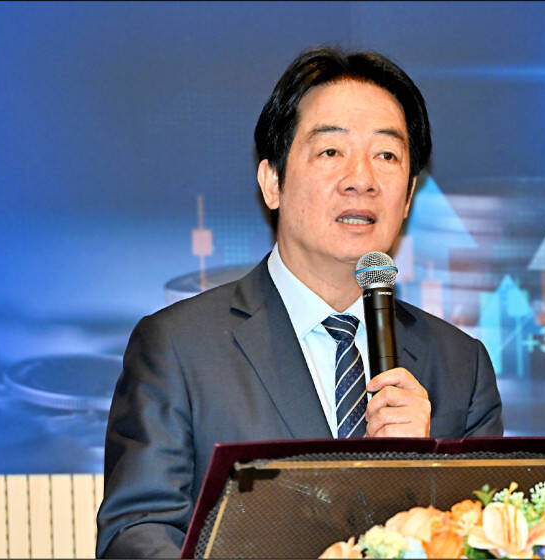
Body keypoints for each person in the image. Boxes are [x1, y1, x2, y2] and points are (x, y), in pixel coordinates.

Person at [96, 46, 503, 558]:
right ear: (273, 182)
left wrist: (425, 471)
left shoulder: (461, 367)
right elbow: (135, 536)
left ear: (408, 197)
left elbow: (490, 538)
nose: (361, 179)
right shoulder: (179, 348)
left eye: (386, 155)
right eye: (331, 151)